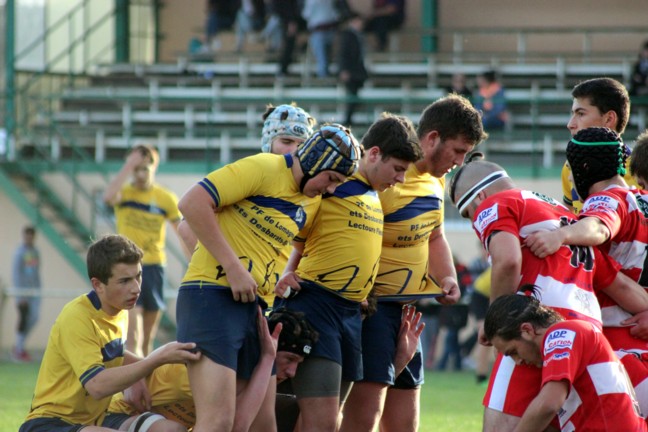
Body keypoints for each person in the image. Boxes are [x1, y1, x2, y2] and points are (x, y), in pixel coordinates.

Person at [176, 124, 362, 432]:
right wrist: (233, 267)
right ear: (314, 160)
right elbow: (191, 203)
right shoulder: (263, 167)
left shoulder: (312, 200)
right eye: (331, 178)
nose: (330, 189)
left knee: (260, 426)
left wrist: (285, 274)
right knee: (219, 422)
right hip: (211, 296)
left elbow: (294, 245)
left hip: (254, 307)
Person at [448, 158, 648, 431]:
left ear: (480, 196)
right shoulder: (568, 221)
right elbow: (621, 286)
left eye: (468, 213)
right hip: (585, 337)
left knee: (501, 427)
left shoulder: (496, 203)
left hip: (533, 327)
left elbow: (507, 261)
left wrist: (496, 322)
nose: (474, 220)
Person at [340, 93, 487, 432]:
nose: (459, 161)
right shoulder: (384, 178)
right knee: (363, 421)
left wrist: (447, 277)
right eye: (458, 151)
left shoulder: (436, 179)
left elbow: (434, 235)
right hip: (374, 311)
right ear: (432, 138)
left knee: (405, 425)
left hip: (409, 312)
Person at [274, 114, 424, 432]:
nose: (400, 179)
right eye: (397, 169)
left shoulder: (373, 194)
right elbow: (295, 233)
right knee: (322, 422)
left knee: (328, 420)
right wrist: (285, 273)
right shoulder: (332, 185)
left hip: (350, 313)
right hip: (317, 306)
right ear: (374, 154)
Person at [18, 234, 201, 432]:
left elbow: (113, 353)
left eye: (138, 276)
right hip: (49, 424)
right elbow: (97, 386)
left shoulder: (118, 310)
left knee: (171, 430)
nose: (136, 288)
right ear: (97, 285)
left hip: (93, 422)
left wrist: (139, 375)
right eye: (124, 281)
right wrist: (156, 359)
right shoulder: (77, 316)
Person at [525, 127, 648, 412]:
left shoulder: (609, 200)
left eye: (571, 169)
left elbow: (599, 227)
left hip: (617, 344)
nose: (570, 179)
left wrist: (561, 235)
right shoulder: (643, 199)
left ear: (584, 168)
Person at [177, 103, 317, 309]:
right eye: (286, 141)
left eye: (302, 144)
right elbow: (187, 225)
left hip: (279, 298)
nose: (294, 150)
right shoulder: (253, 174)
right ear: (268, 142)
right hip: (242, 293)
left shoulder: (311, 190)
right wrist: (229, 271)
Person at [484, 287, 647, 432]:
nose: (518, 361)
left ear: (527, 330)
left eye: (513, 352)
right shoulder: (573, 338)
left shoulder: (561, 333)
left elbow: (549, 404)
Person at [103, 143, 189, 357]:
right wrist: (129, 164)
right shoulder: (124, 193)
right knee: (134, 335)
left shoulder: (165, 198)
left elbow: (182, 232)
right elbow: (107, 197)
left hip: (154, 268)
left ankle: (144, 377)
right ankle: (134, 377)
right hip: (127, 269)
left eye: (144, 168)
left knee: (147, 340)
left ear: (154, 167)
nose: (140, 174)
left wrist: (193, 260)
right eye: (136, 169)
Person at [560, 77, 636, 213]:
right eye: (573, 114)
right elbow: (569, 217)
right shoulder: (571, 167)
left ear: (609, 119)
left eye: (581, 114)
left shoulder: (641, 169)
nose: (570, 124)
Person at [12, 225, 41, 362]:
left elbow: (36, 271)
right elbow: (16, 274)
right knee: (23, 319)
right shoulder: (19, 253)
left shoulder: (35, 252)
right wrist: (20, 295)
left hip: (34, 292)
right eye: (27, 236)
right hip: (23, 293)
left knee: (34, 318)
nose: (29, 238)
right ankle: (19, 349)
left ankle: (19, 346)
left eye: (31, 236)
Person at [337, 13, 368, 127]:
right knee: (352, 95)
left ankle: (350, 119)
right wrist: (344, 70)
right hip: (352, 71)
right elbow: (343, 54)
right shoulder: (348, 36)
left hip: (357, 71)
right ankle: (348, 120)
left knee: (355, 94)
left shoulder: (357, 35)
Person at [301, 0, 341, 78]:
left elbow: (335, 14)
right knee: (322, 57)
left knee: (330, 56)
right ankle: (323, 76)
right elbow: (306, 14)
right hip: (318, 31)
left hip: (330, 29)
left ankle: (327, 75)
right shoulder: (311, 1)